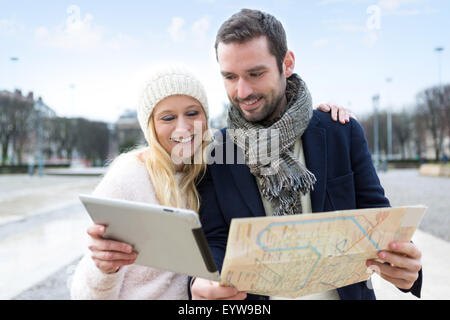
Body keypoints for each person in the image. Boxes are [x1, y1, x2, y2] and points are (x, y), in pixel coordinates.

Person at [189, 9, 423, 300]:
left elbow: (378, 218)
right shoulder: (214, 153)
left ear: (286, 64)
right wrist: (200, 279)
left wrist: (407, 263)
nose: (242, 91)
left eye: (255, 74)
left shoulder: (341, 131)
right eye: (230, 77)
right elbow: (214, 239)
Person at [69, 63, 351, 299]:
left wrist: (314, 116)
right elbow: (83, 293)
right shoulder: (129, 176)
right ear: (150, 126)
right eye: (168, 117)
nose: (183, 127)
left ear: (205, 116)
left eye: (192, 113)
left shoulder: (214, 163)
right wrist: (103, 268)